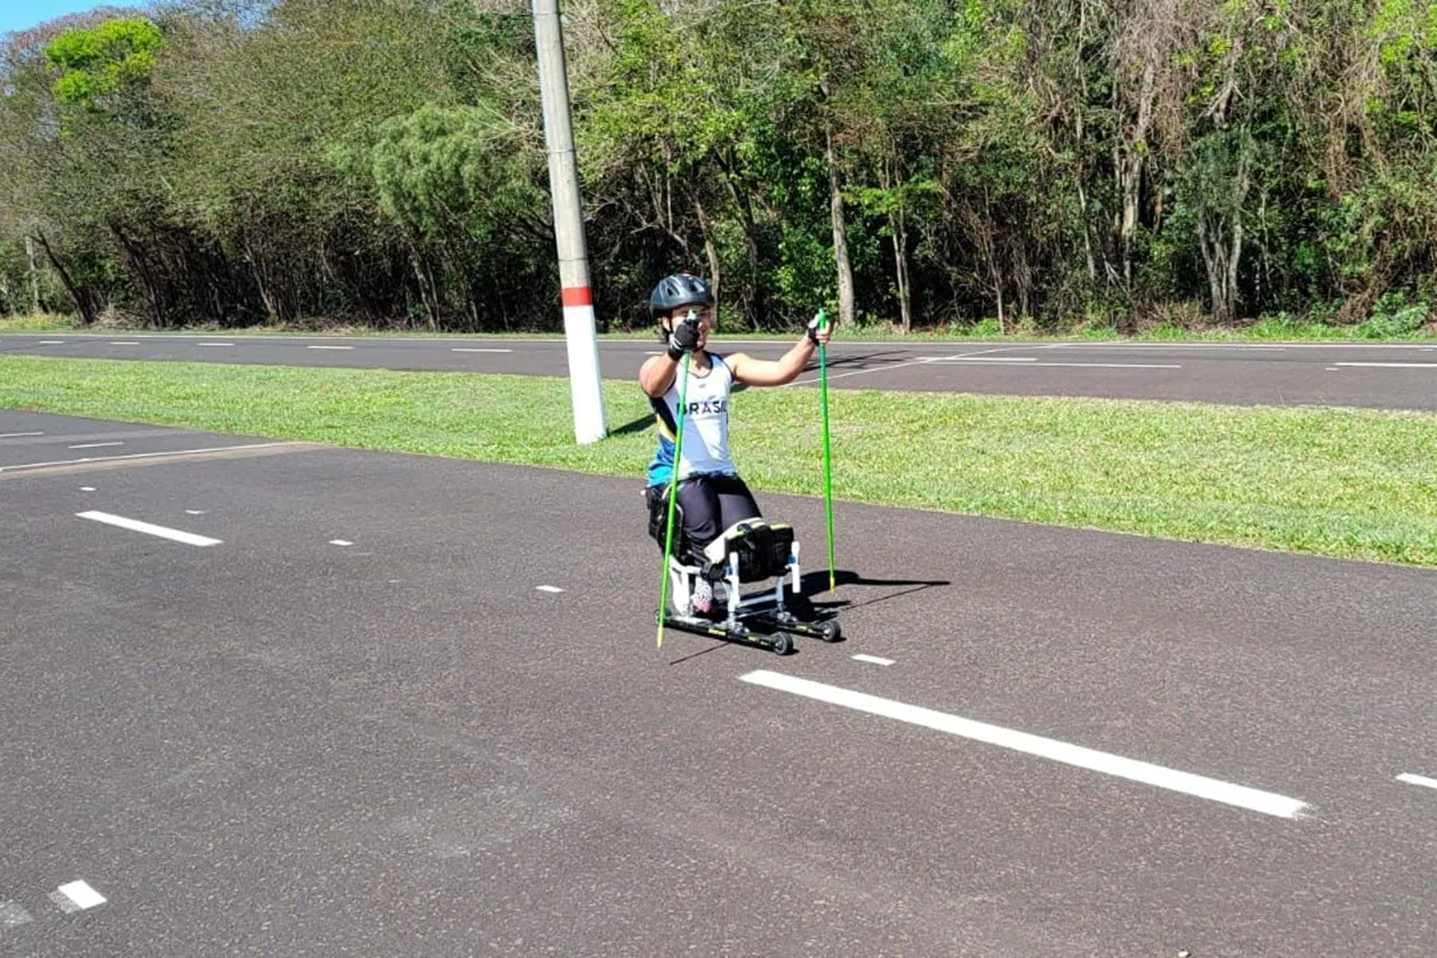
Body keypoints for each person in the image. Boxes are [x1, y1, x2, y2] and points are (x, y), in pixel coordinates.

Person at [640, 272, 832, 612]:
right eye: (685, 315)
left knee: (753, 541)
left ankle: (713, 580)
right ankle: (693, 582)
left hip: (721, 473)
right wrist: (674, 351)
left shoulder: (727, 365)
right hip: (678, 476)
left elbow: (781, 372)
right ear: (666, 322)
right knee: (705, 529)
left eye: (702, 313)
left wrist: (809, 340)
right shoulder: (660, 366)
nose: (695, 322)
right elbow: (653, 385)